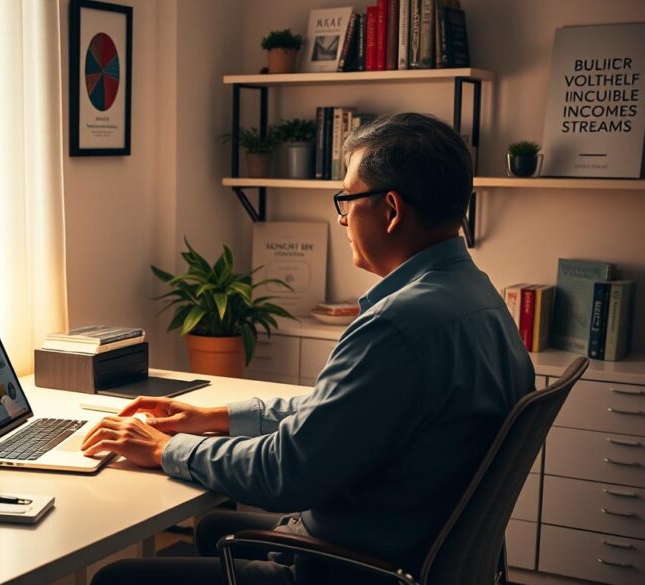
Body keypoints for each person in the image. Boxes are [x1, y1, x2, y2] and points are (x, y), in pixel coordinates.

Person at [81, 113, 535, 585]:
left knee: (117, 579)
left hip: (353, 567)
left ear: (391, 209)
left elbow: (284, 473)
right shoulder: (479, 299)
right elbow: (344, 410)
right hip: (411, 548)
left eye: (347, 199)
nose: (341, 217)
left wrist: (167, 448)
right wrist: (213, 418)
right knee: (215, 526)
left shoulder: (398, 326)